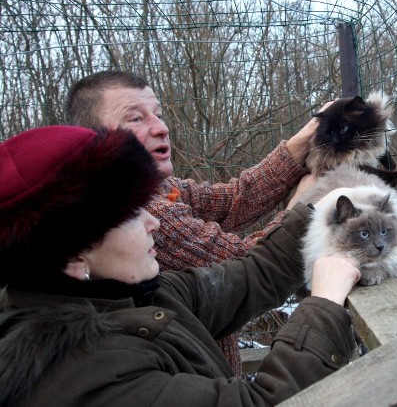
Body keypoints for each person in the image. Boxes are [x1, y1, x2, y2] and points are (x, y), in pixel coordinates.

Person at [0, 125, 361, 406]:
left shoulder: (133, 296)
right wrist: (324, 306)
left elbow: (253, 276)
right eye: (130, 214)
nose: (153, 222)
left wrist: (322, 207)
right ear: (73, 256)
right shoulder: (80, 377)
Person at [64, 70, 329, 375]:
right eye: (136, 119)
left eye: (159, 114)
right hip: (192, 385)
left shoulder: (158, 188)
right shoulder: (132, 210)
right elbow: (247, 267)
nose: (161, 128)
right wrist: (310, 201)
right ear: (94, 137)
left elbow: (234, 200)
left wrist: (307, 138)